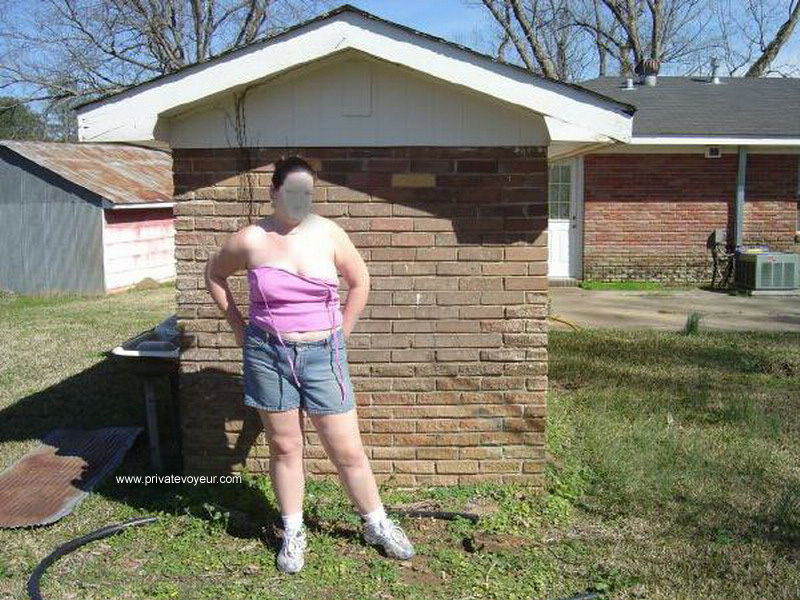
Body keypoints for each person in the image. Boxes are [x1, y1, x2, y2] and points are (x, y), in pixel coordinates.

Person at [204, 155, 415, 574]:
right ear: (274, 192)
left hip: (323, 355)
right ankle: (293, 531)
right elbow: (214, 274)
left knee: (347, 449)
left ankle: (376, 523)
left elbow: (360, 281)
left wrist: (342, 333)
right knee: (286, 447)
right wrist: (240, 330)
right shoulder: (251, 239)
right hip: (268, 356)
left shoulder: (329, 234)